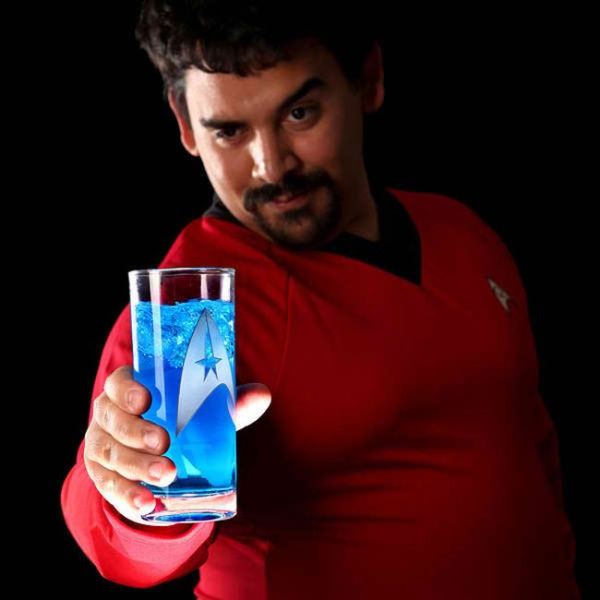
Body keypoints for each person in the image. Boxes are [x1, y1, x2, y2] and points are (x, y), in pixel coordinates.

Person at [61, 1, 580, 598]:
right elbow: (121, 540)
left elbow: (529, 444)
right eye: (229, 131)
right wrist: (126, 489)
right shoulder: (192, 307)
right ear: (185, 125)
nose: (271, 166)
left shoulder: (462, 232)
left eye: (299, 113)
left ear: (368, 79)